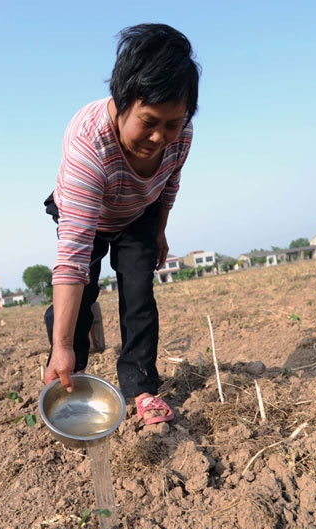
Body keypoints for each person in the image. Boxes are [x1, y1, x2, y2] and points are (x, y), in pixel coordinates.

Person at [44, 23, 200, 427]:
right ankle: (69, 374)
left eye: (172, 123)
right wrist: (61, 345)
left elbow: (170, 182)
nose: (159, 136)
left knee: (139, 295)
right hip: (88, 216)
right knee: (82, 296)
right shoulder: (87, 147)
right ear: (122, 100)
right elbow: (73, 258)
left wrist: (160, 230)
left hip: (138, 212)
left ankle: (141, 388)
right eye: (148, 121)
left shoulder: (180, 135)